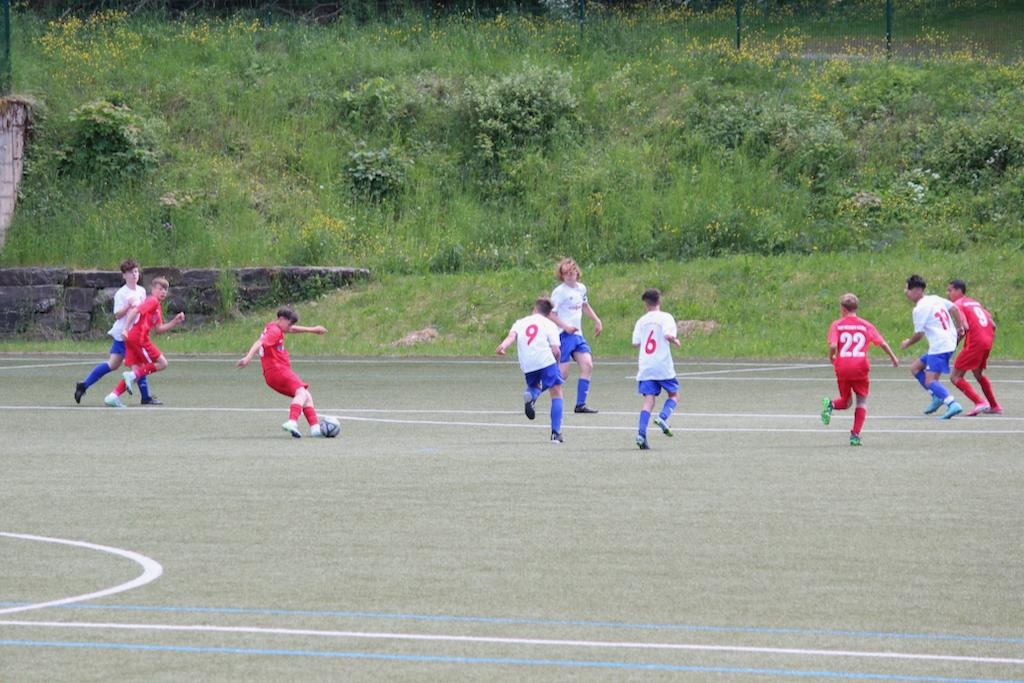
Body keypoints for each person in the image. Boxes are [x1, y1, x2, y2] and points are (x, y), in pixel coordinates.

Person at [74, 259, 159, 405]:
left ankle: (84, 385)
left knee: (113, 364)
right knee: (138, 366)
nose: (134, 274)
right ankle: (145, 397)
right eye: (130, 272)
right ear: (124, 275)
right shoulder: (121, 293)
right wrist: (128, 306)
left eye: (136, 272)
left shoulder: (141, 291)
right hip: (124, 335)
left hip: (134, 333)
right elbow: (118, 315)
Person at [820, 293, 899, 446]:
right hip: (860, 367)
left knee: (846, 401)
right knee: (861, 401)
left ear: (843, 309)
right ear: (856, 308)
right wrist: (893, 357)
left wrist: (831, 357)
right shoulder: (865, 325)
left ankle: (830, 405)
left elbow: (833, 345)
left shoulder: (837, 325)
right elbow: (882, 342)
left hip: (842, 366)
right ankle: (855, 435)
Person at [236, 307, 328, 438]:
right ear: (281, 319)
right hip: (278, 371)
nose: (290, 327)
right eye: (289, 324)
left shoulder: (273, 326)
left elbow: (292, 329)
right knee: (301, 392)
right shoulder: (275, 331)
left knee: (306, 395)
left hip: (272, 375)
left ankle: (315, 428)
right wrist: (248, 358)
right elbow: (259, 342)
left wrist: (312, 330)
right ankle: (292, 422)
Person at [104, 277, 185, 408]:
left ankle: (112, 397)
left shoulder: (157, 307)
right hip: (139, 338)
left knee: (136, 373)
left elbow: (158, 329)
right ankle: (130, 377)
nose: (163, 292)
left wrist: (174, 321)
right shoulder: (152, 300)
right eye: (160, 289)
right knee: (162, 363)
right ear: (153, 290)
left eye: (165, 290)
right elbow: (135, 310)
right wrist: (125, 329)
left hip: (133, 338)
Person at [496, 296, 566, 443]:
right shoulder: (549, 324)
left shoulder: (521, 322)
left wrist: (503, 346)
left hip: (527, 362)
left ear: (535, 309)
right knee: (557, 393)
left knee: (535, 385)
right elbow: (556, 350)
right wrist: (557, 362)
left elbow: (511, 336)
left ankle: (531, 395)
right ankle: (555, 433)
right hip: (545, 359)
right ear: (549, 314)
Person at [900, 274, 965, 419]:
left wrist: (907, 343)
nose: (906, 292)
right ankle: (936, 396)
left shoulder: (919, 309)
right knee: (915, 368)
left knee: (930, 380)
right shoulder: (934, 298)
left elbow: (919, 335)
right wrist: (959, 326)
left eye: (909, 289)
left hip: (940, 345)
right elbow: (955, 308)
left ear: (918, 290)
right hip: (948, 341)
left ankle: (951, 403)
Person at [548, 258, 603, 414]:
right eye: (566, 274)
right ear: (561, 275)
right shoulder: (559, 292)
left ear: (577, 273)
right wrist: (565, 327)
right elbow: (551, 314)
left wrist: (597, 320)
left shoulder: (581, 288)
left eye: (572, 273)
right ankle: (534, 392)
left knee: (588, 365)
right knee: (562, 374)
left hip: (577, 335)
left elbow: (585, 306)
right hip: (564, 336)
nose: (569, 276)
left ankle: (580, 404)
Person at [632, 288, 681, 450]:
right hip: (662, 365)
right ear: (660, 301)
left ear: (646, 304)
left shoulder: (641, 321)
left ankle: (641, 434)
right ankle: (662, 417)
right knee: (674, 395)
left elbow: (635, 343)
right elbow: (667, 335)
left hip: (646, 366)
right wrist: (675, 340)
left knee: (649, 401)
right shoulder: (666, 317)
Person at [947, 279, 1002, 416]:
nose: (948, 294)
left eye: (950, 290)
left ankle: (979, 402)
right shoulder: (974, 302)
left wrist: (954, 344)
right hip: (987, 341)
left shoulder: (957, 305)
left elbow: (964, 327)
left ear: (959, 291)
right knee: (978, 373)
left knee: (955, 376)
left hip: (975, 342)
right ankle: (994, 405)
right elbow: (993, 324)